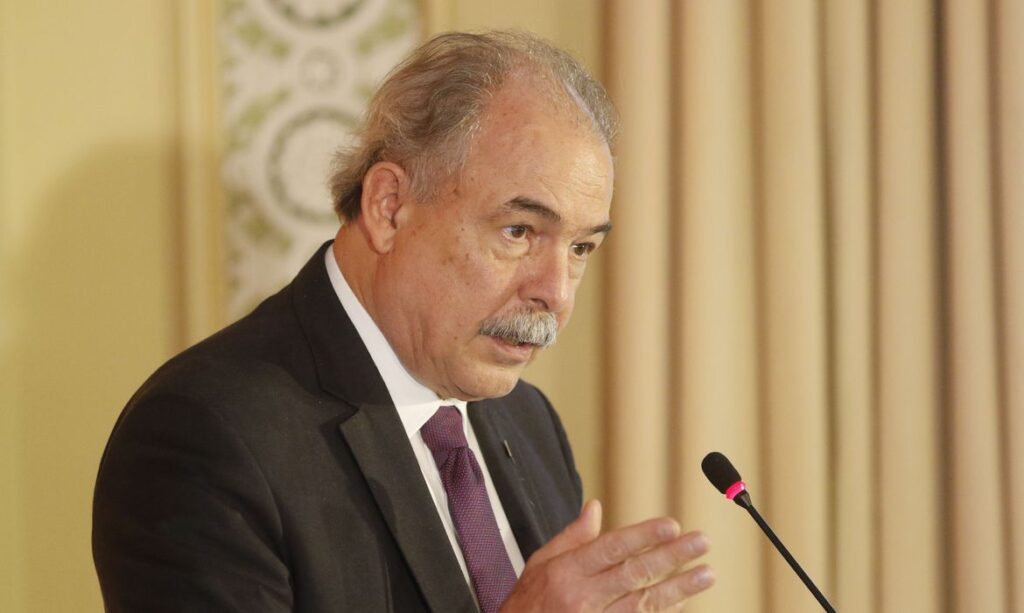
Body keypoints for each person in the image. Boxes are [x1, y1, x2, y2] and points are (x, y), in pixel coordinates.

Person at [93, 30, 714, 612]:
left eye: (580, 248)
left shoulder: (528, 422)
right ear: (390, 207)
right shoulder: (206, 434)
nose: (554, 293)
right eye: (519, 231)